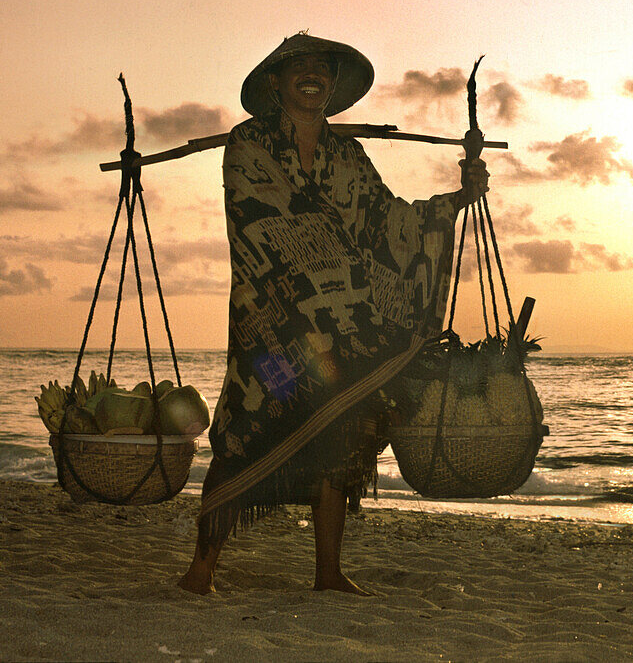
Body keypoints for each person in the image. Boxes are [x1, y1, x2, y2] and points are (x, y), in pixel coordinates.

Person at [179, 33, 489, 595]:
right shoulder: (249, 143)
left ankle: (327, 570)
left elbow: (387, 221)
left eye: (321, 67)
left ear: (332, 84)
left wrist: (454, 202)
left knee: (341, 433)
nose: (312, 74)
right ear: (276, 83)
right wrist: (324, 254)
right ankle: (201, 569)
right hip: (270, 330)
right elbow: (260, 219)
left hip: (336, 334)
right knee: (244, 428)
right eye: (299, 66)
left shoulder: (347, 155)